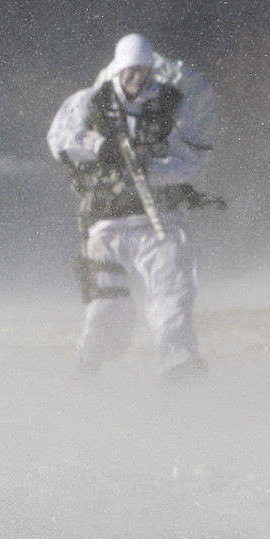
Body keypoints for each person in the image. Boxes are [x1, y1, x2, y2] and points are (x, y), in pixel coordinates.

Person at [47, 33, 223, 380]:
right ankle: (89, 365)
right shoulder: (90, 102)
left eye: (144, 72)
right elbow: (59, 140)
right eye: (131, 73)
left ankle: (179, 366)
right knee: (108, 307)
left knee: (173, 294)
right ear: (118, 70)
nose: (138, 81)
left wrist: (152, 169)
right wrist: (101, 148)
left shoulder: (171, 105)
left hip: (159, 221)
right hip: (105, 222)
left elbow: (192, 162)